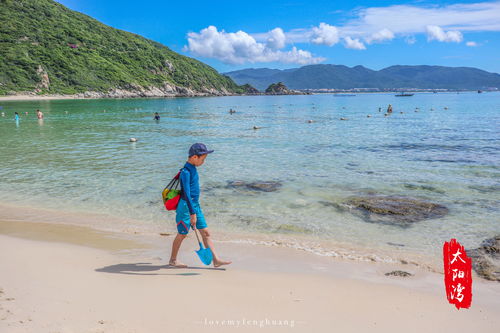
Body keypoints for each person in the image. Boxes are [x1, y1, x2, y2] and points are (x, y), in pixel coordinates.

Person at [169, 143, 232, 268]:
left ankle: (216, 260)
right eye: (202, 159)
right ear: (194, 157)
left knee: (206, 233)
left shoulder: (193, 169)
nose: (204, 162)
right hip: (186, 207)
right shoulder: (185, 172)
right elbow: (186, 194)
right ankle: (173, 260)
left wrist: (195, 210)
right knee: (182, 234)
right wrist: (192, 214)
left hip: (195, 205)